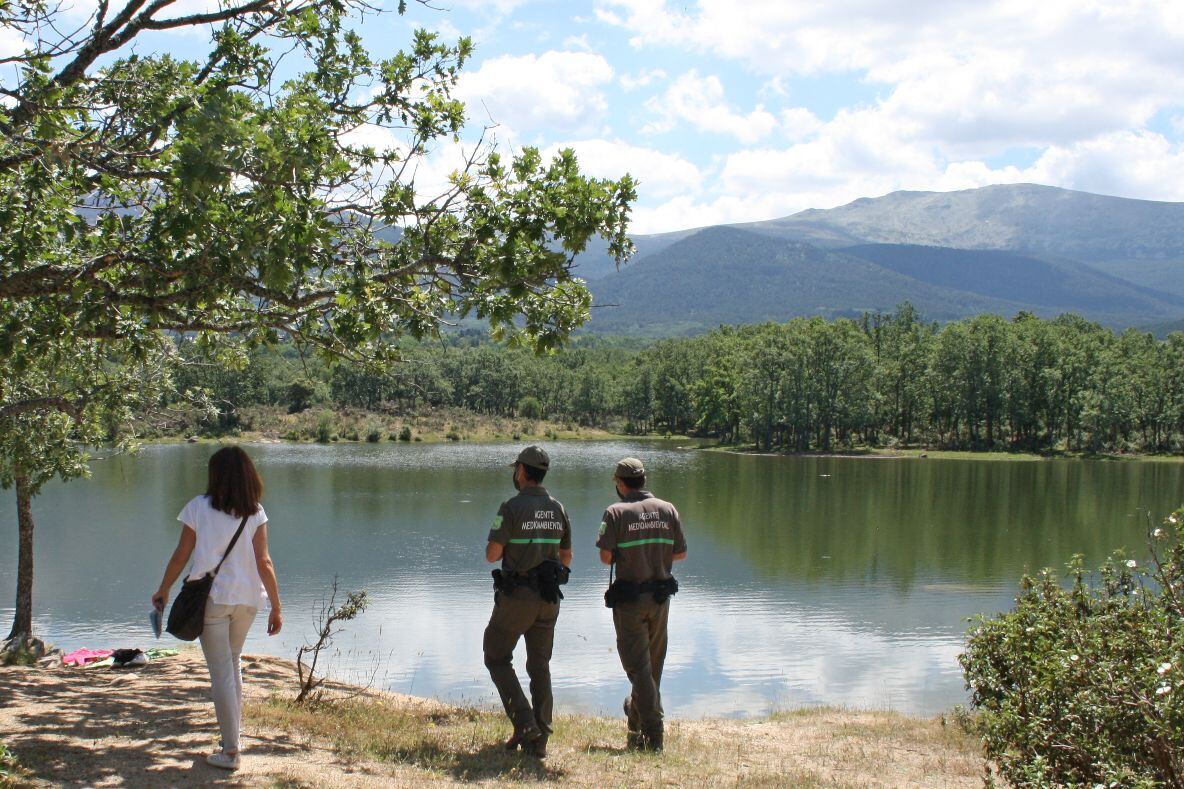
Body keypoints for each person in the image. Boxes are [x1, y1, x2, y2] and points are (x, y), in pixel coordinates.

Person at [152, 446, 283, 771]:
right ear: (248, 476)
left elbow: (182, 554)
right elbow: (264, 562)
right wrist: (277, 607)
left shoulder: (199, 507)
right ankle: (233, 739)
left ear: (215, 475)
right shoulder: (256, 511)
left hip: (213, 600)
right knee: (232, 665)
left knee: (222, 672)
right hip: (249, 600)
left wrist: (164, 589)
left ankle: (230, 752)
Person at [483, 445, 572, 758]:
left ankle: (524, 723)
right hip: (550, 599)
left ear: (522, 471)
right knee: (540, 666)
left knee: (495, 655)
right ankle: (541, 737)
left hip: (518, 597)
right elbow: (567, 557)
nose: (514, 473)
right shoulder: (558, 508)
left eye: (515, 468)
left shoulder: (511, 507)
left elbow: (492, 555)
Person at [596, 457, 687, 752]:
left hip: (630, 602)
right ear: (644, 480)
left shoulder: (615, 512)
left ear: (621, 484)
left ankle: (654, 731)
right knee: (653, 666)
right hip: (660, 600)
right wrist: (654, 556)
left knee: (637, 668)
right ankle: (635, 721)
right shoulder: (668, 509)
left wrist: (633, 555)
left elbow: (606, 558)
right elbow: (680, 554)